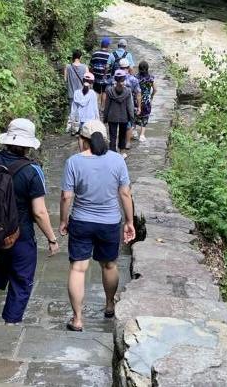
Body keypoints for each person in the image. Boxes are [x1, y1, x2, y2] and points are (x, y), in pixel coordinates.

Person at [0, 118, 59, 325]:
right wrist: (52, 239)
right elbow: (39, 212)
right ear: (28, 146)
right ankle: (11, 325)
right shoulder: (32, 171)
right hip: (20, 235)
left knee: (6, 263)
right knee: (22, 280)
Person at [59, 120, 135, 332]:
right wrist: (129, 222)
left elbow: (66, 197)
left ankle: (77, 319)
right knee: (109, 265)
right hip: (110, 222)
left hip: (81, 222)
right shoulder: (117, 160)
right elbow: (125, 193)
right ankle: (110, 305)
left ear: (82, 140)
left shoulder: (74, 162)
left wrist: (64, 221)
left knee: (78, 268)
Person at [103, 69, 135, 159]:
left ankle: (112, 154)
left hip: (112, 116)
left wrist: (105, 117)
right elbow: (130, 106)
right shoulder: (128, 91)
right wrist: (132, 118)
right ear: (124, 79)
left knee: (112, 136)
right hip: (124, 117)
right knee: (122, 136)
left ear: (115, 79)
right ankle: (122, 152)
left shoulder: (109, 91)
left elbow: (107, 106)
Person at [118, 57, 142, 149]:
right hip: (129, 104)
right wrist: (139, 107)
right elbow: (138, 94)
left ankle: (119, 143)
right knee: (128, 124)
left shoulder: (115, 78)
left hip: (117, 104)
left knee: (118, 124)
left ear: (119, 67)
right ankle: (127, 143)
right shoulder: (133, 79)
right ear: (128, 67)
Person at [134, 61, 157, 142]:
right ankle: (142, 135)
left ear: (139, 68)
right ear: (147, 68)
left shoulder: (135, 77)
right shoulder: (151, 78)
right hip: (146, 101)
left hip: (136, 100)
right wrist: (151, 97)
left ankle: (133, 131)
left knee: (135, 115)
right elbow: (155, 89)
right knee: (145, 117)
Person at [89, 37, 111, 109]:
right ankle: (102, 108)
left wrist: (91, 76)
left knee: (96, 92)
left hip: (96, 77)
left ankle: (96, 108)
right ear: (108, 45)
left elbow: (91, 66)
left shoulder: (95, 54)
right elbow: (110, 67)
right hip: (106, 78)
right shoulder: (110, 55)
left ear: (101, 45)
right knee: (104, 92)